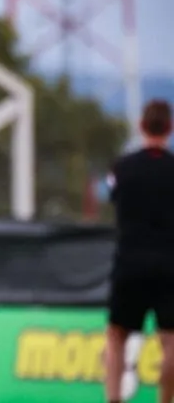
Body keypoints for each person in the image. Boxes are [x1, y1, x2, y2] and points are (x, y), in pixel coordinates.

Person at [103, 99, 174, 403]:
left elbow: (111, 195)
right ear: (169, 129)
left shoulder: (122, 167)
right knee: (170, 340)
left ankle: (114, 399)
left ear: (140, 126)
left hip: (130, 262)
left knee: (117, 336)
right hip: (170, 264)